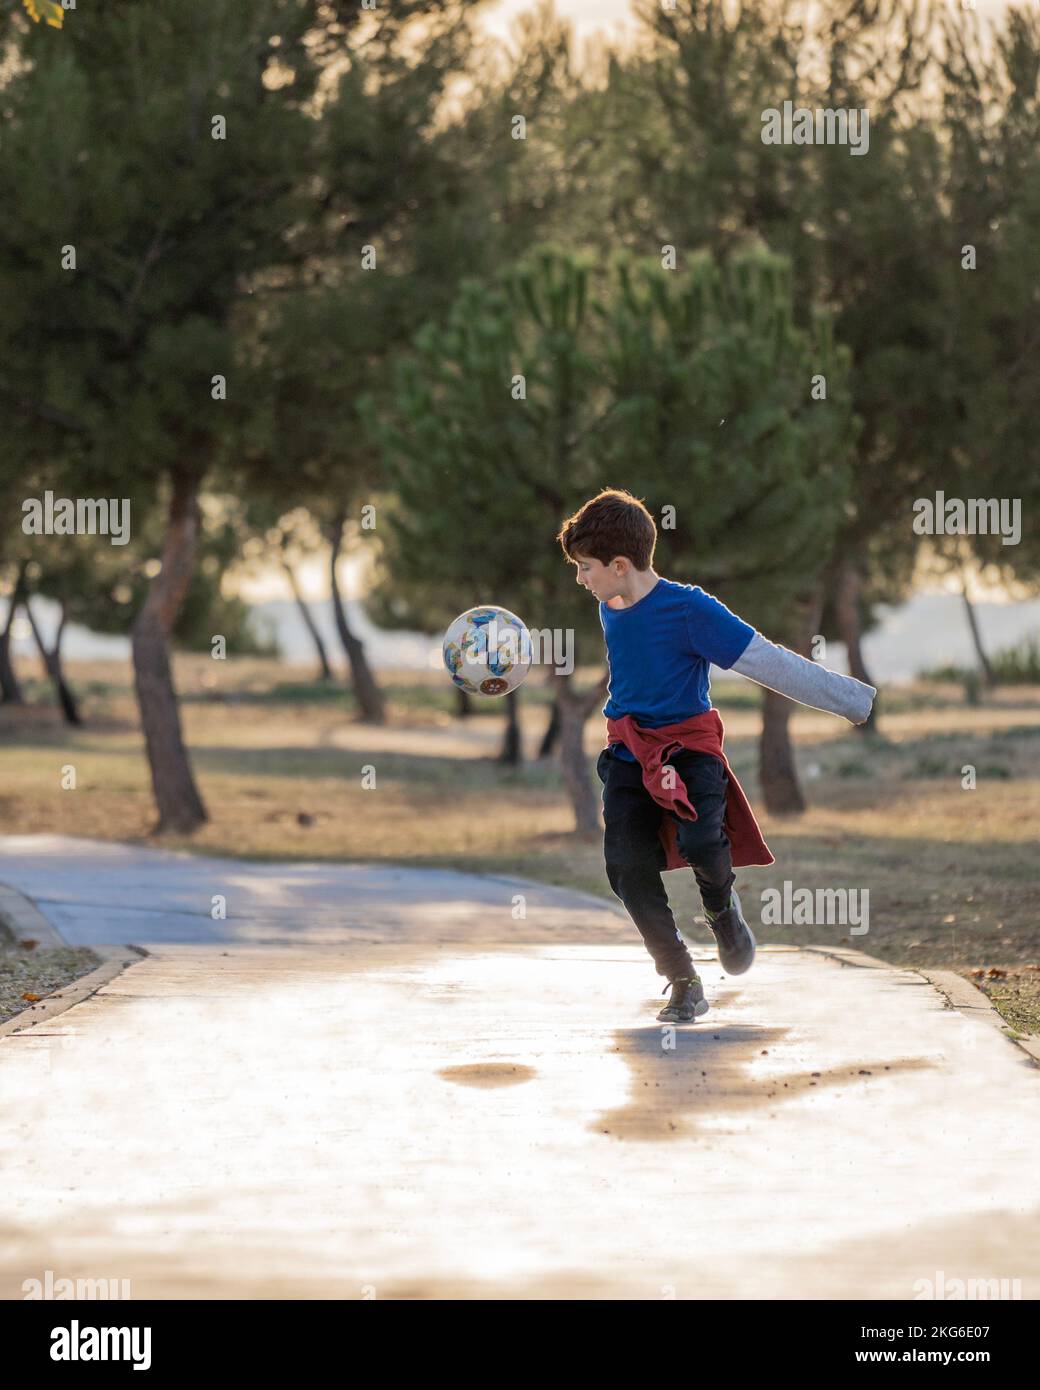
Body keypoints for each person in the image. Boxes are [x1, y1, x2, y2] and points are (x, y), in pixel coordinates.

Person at [556, 487, 876, 1024]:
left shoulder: (691, 610)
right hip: (629, 751)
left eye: (586, 567)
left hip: (690, 747)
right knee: (626, 868)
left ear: (619, 565)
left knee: (703, 840)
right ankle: (681, 977)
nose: (581, 578)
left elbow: (766, 662)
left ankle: (722, 909)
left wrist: (850, 698)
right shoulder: (610, 606)